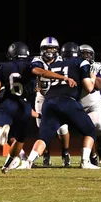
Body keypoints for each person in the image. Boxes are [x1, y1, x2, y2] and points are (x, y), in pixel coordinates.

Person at [0, 41, 76, 174]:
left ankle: (0, 132)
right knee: (19, 139)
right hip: (24, 107)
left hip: (8, 103)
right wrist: (64, 78)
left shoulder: (3, 66)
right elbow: (40, 72)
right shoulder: (32, 63)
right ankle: (8, 164)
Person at [17, 41, 100, 171]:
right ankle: (85, 161)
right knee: (90, 131)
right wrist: (93, 77)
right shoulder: (81, 62)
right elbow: (89, 87)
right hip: (68, 101)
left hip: (49, 102)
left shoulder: (53, 65)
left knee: (43, 137)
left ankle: (28, 162)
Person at [32, 36, 72, 167]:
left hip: (57, 96)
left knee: (62, 128)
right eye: (46, 48)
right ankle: (46, 155)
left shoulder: (62, 60)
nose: (49, 51)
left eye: (52, 48)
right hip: (42, 96)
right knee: (43, 128)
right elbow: (38, 72)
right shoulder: (37, 60)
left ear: (57, 50)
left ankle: (65, 153)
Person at [79, 44, 101, 165]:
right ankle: (92, 155)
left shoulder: (99, 66)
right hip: (78, 103)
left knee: (99, 128)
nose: (86, 56)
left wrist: (88, 73)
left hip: (95, 103)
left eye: (89, 54)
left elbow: (98, 85)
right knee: (88, 129)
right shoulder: (74, 66)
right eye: (83, 54)